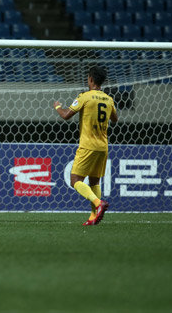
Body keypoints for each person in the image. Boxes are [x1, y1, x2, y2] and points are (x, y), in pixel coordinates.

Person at [53, 66, 118, 226]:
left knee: (75, 179)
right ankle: (93, 217)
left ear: (90, 79)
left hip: (88, 145)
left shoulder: (85, 97)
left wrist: (57, 106)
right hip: (103, 146)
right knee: (95, 181)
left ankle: (98, 203)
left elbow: (66, 115)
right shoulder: (109, 99)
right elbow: (115, 119)